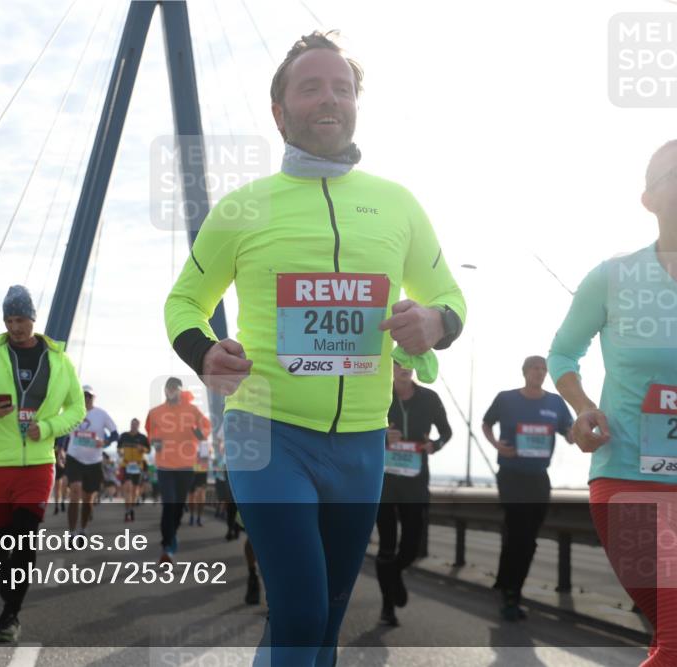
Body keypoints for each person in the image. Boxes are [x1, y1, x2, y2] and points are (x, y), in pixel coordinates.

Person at [163, 31, 465, 666]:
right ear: (279, 112)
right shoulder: (243, 209)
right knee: (299, 607)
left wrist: (435, 322)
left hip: (360, 441)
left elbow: (450, 299)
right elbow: (184, 301)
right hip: (263, 430)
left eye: (342, 88)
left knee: (325, 614)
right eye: (311, 87)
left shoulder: (398, 204)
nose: (330, 99)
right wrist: (204, 351)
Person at [549, 140, 677, 667]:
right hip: (631, 477)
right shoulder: (614, 276)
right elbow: (562, 353)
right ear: (648, 199)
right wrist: (582, 408)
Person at [0, 285, 85, 643]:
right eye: (10, 320)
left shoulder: (59, 360)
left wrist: (47, 428)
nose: (16, 327)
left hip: (37, 465)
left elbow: (77, 409)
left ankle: (9, 616)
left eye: (21, 319)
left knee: (25, 541)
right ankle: (8, 591)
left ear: (33, 318)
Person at [482, 356, 573, 621]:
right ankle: (512, 594)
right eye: (535, 368)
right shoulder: (506, 398)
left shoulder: (555, 402)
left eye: (544, 369)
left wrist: (579, 434)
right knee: (519, 533)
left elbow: (568, 432)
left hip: (538, 477)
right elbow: (486, 424)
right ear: (524, 372)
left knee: (527, 537)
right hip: (511, 475)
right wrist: (496, 445)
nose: (540, 372)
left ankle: (505, 581)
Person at [375, 362, 451, 626]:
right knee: (386, 545)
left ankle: (394, 573)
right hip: (384, 483)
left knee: (410, 548)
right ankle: (387, 608)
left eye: (409, 363)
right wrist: (382, 437)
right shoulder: (378, 393)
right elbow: (359, 430)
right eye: (397, 363)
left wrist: (435, 444)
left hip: (415, 483)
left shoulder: (429, 398)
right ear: (390, 366)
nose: (404, 368)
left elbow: (447, 432)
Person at [145, 377, 211, 563]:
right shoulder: (156, 412)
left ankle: (172, 534)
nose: (172, 391)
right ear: (165, 391)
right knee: (169, 505)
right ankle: (168, 546)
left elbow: (206, 427)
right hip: (165, 466)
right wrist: (154, 441)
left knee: (179, 506)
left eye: (176, 388)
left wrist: (199, 433)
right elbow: (150, 431)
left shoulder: (191, 410)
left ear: (180, 390)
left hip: (186, 466)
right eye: (169, 388)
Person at [64, 386, 118, 539]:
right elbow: (63, 434)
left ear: (94, 398)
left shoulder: (101, 415)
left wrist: (105, 442)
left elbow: (115, 434)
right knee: (75, 491)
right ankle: (72, 533)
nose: (87, 398)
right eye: (84, 395)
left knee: (88, 500)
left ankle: (83, 528)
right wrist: (60, 450)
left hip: (94, 462)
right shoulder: (73, 412)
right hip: (74, 458)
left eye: (89, 396)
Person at [118, 418, 151, 522]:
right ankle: (127, 510)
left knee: (134, 490)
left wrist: (143, 449)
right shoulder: (124, 435)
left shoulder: (143, 437)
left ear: (138, 426)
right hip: (126, 464)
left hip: (138, 466)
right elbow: (118, 447)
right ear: (130, 424)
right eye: (132, 424)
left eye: (136, 425)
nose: (134, 426)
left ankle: (131, 509)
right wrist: (120, 452)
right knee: (127, 487)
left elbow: (149, 450)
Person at [188, 439, 211, 526]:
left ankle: (199, 518)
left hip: (201, 472)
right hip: (190, 472)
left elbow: (206, 460)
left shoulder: (204, 443)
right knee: (191, 497)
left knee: (201, 497)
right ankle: (192, 516)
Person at [52, 435, 69, 515]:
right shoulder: (54, 434)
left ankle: (62, 500)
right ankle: (56, 505)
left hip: (66, 459)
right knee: (57, 484)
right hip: (55, 458)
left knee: (64, 483)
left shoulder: (68, 434)